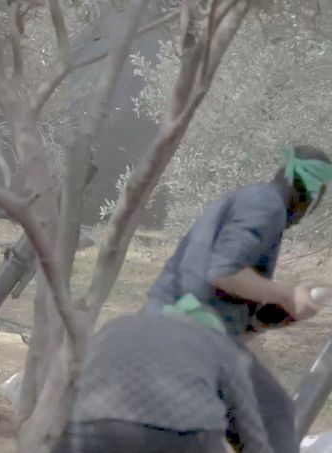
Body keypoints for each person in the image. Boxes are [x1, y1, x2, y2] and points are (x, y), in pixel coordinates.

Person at [143, 145, 332, 453]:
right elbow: (224, 272)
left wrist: (286, 310)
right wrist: (286, 293)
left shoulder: (252, 204)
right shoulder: (266, 205)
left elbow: (225, 301)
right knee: (273, 417)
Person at [54, 300, 274, 453]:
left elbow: (77, 389)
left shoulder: (116, 327)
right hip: (181, 440)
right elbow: (250, 433)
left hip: (89, 434)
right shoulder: (218, 344)